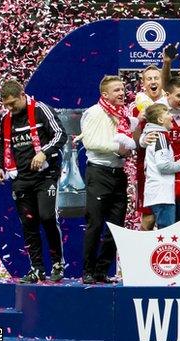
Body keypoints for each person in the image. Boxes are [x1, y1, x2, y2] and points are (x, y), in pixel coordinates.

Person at [0, 80, 67, 283]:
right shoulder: (7, 119)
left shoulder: (41, 110)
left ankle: (57, 263)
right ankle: (36, 268)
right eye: (6, 105)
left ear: (22, 95)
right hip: (20, 178)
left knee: (47, 217)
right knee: (28, 223)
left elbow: (61, 135)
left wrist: (43, 153)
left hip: (46, 176)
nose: (10, 109)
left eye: (12, 104)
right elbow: (2, 144)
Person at [79, 75, 136, 284]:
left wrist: (126, 150)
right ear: (105, 94)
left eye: (122, 89)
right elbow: (91, 142)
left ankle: (102, 270)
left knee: (116, 226)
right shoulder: (93, 113)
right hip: (99, 173)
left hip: (118, 173)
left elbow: (126, 147)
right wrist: (120, 146)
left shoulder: (122, 115)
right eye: (117, 90)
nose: (122, 93)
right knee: (95, 223)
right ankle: (88, 270)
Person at [141, 103, 180, 228]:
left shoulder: (157, 136)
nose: (171, 117)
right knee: (166, 233)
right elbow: (163, 166)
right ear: (160, 120)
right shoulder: (160, 138)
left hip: (159, 194)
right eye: (168, 114)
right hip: (162, 195)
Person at [132, 65, 165, 231]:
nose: (153, 81)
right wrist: (138, 121)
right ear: (143, 83)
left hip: (168, 168)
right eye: (149, 79)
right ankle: (141, 255)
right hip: (146, 169)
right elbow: (135, 143)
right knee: (148, 217)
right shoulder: (135, 108)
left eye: (156, 78)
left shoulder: (169, 104)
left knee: (169, 216)